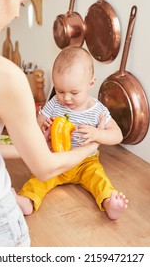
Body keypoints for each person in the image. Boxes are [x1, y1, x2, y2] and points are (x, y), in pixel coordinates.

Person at [0, 0, 99, 247]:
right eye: (21, 3)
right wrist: (91, 147)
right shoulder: (3, 75)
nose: (15, 13)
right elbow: (44, 167)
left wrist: (27, 146)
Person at [16, 47, 128, 221]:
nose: (66, 98)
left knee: (99, 179)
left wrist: (98, 133)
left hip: (86, 162)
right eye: (60, 91)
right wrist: (42, 125)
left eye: (74, 92)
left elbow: (117, 135)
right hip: (57, 160)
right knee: (39, 178)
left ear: (90, 83)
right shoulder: (54, 103)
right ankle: (27, 200)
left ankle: (109, 203)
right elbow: (36, 125)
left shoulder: (97, 110)